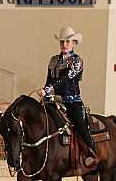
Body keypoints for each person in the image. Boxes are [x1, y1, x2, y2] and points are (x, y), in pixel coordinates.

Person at [38, 26, 97, 166]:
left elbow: (66, 80)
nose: (64, 44)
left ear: (74, 43)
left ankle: (91, 153)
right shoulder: (53, 60)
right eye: (62, 41)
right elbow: (49, 79)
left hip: (72, 101)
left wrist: (48, 89)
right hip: (53, 100)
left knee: (80, 124)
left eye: (67, 41)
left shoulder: (77, 60)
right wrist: (45, 93)